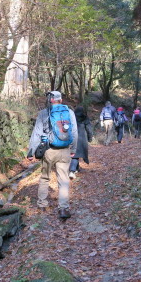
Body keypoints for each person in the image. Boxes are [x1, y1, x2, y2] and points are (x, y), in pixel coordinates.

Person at [27, 91, 78, 220]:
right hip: (65, 150)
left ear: (50, 100)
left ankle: (42, 204)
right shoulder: (69, 112)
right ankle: (63, 208)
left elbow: (37, 133)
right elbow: (74, 132)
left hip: (49, 150)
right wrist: (73, 149)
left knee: (45, 178)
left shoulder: (44, 113)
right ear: (60, 100)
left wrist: (31, 151)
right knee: (63, 179)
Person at [69, 106, 93, 180]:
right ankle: (72, 171)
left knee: (75, 153)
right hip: (81, 138)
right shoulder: (85, 118)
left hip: (71, 138)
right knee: (76, 155)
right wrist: (90, 138)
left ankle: (76, 168)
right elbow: (89, 129)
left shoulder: (71, 117)